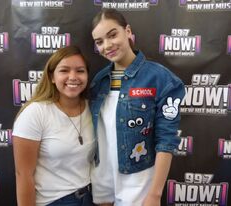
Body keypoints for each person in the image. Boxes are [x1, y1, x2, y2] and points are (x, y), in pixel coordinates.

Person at [89, 9, 185, 206]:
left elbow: (166, 141)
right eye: (99, 42)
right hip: (101, 178)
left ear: (128, 31)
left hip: (139, 182)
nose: (107, 46)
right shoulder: (99, 81)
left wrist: (155, 194)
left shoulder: (160, 79)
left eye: (112, 35)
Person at [12, 45, 95, 206]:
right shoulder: (35, 113)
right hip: (54, 201)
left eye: (80, 70)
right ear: (51, 76)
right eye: (64, 70)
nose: (73, 77)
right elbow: (23, 175)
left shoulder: (93, 109)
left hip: (90, 198)